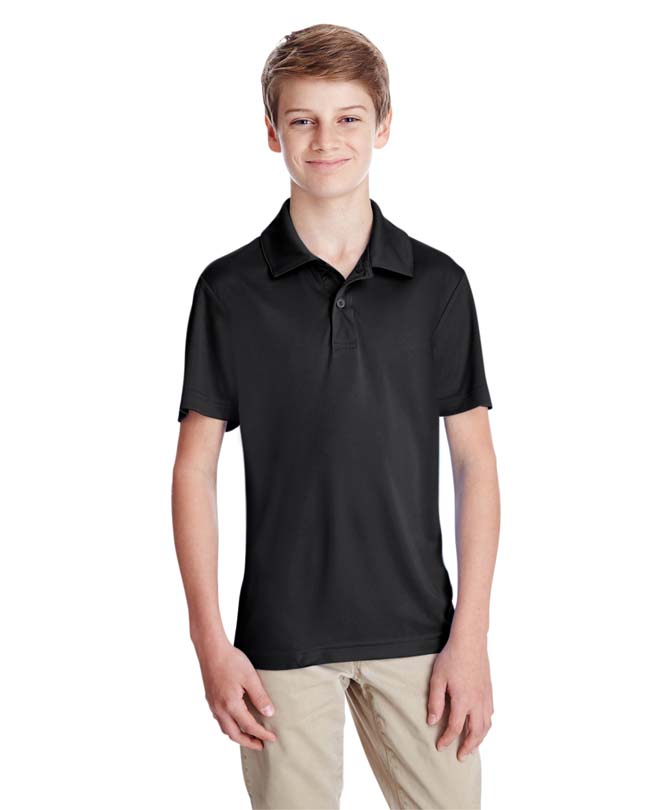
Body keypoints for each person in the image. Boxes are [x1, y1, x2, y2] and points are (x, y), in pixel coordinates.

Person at [171, 22, 500, 810]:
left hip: (420, 633)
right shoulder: (229, 292)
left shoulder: (437, 286)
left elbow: (475, 463)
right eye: (303, 119)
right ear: (272, 132)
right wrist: (210, 642)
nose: (326, 140)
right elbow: (194, 469)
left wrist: (472, 637)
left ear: (382, 126)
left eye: (349, 117)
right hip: (281, 640)